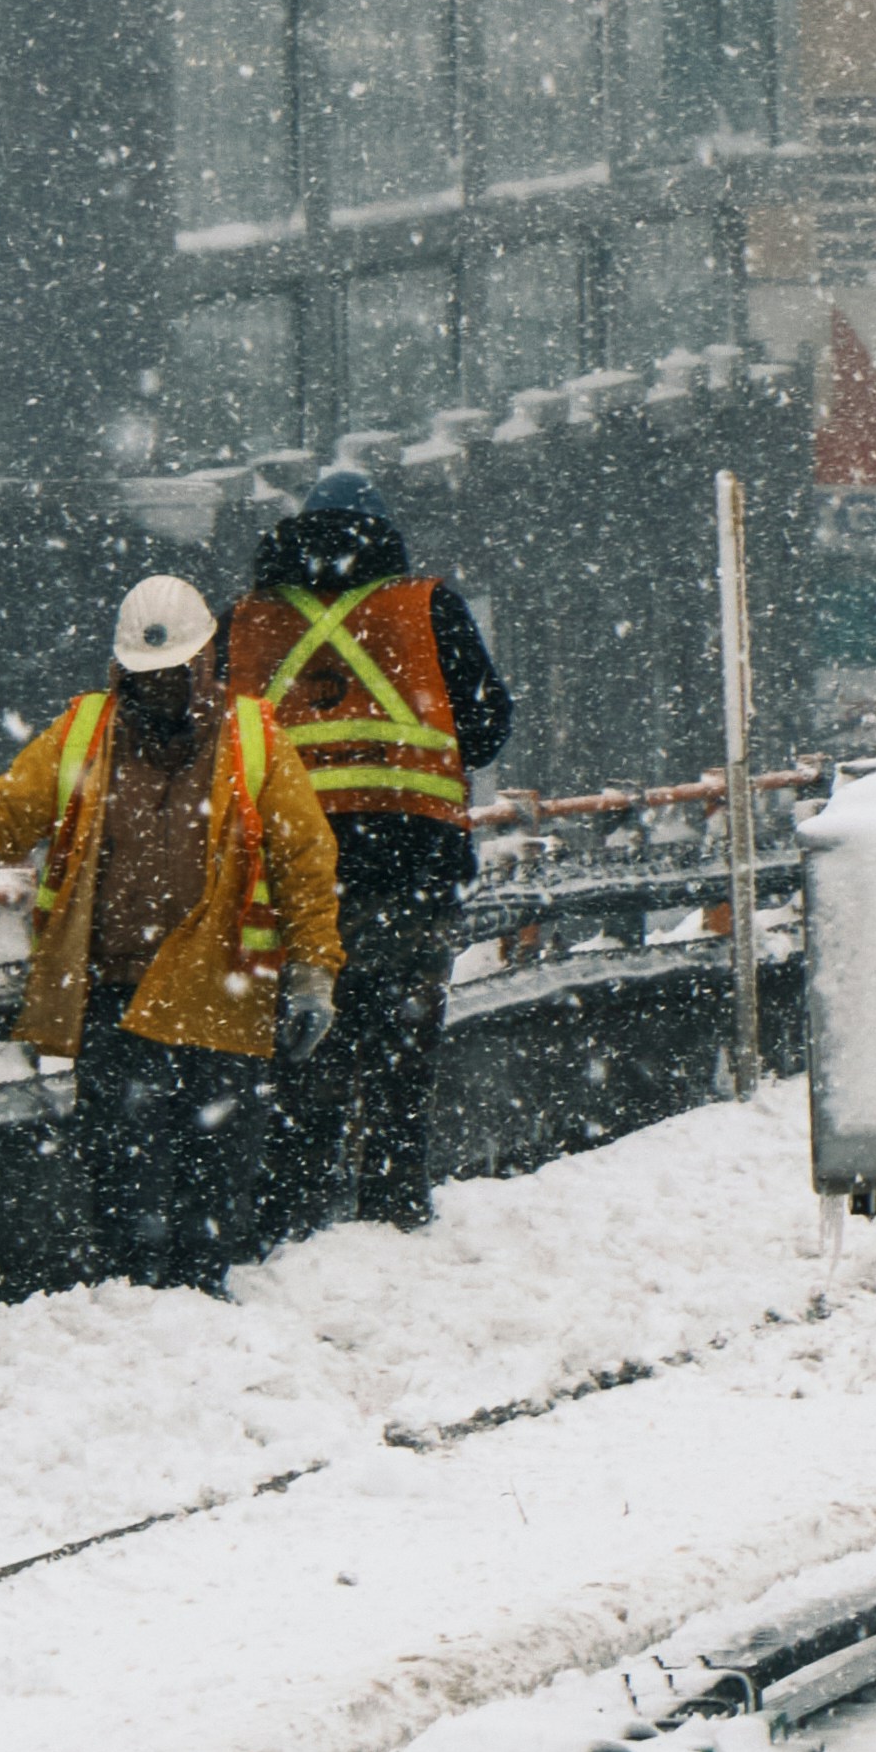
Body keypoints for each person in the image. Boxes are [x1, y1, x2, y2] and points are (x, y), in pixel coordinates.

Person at [0, 569, 338, 1290]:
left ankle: (198, 1323)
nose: (163, 691)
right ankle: (142, 1316)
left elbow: (305, 862)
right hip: (121, 1000)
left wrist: (313, 972)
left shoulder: (255, 741)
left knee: (210, 1201)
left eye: (176, 675)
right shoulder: (85, 736)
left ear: (206, 664)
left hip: (224, 1000)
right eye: (149, 677)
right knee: (127, 1193)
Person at [226, 467, 516, 1231]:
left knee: (303, 1054)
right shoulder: (425, 609)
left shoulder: (247, 624)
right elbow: (486, 731)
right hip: (410, 868)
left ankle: (293, 1215)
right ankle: (391, 1204)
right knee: (400, 1052)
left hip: (289, 880)